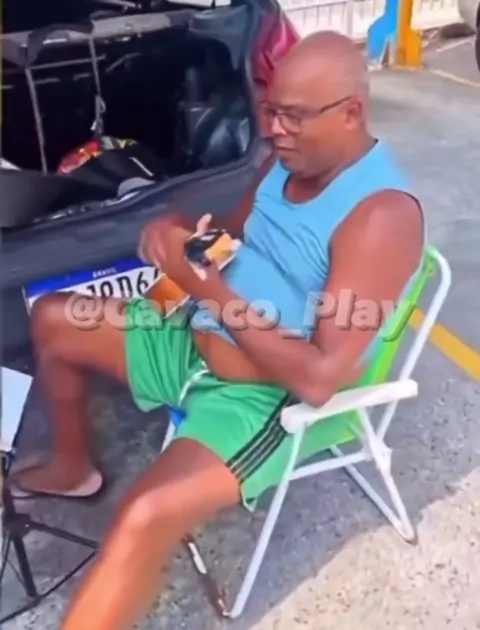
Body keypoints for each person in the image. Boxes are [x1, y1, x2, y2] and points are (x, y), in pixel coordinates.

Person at [10, 30, 424, 630]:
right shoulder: (286, 164)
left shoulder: (381, 216)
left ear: (351, 113)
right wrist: (177, 232)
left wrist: (200, 285)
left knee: (144, 515)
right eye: (270, 111)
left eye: (293, 117)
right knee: (54, 317)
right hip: (193, 333)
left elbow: (319, 380)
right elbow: (229, 234)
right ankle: (73, 468)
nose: (273, 130)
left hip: (258, 399)